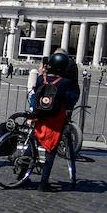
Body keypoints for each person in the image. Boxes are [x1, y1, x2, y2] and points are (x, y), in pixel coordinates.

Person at [29, 52, 81, 191]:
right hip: (54, 121)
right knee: (50, 151)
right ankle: (43, 183)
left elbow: (35, 93)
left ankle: (22, 173)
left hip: (39, 117)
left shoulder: (41, 78)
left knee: (32, 142)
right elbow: (71, 98)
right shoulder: (65, 82)